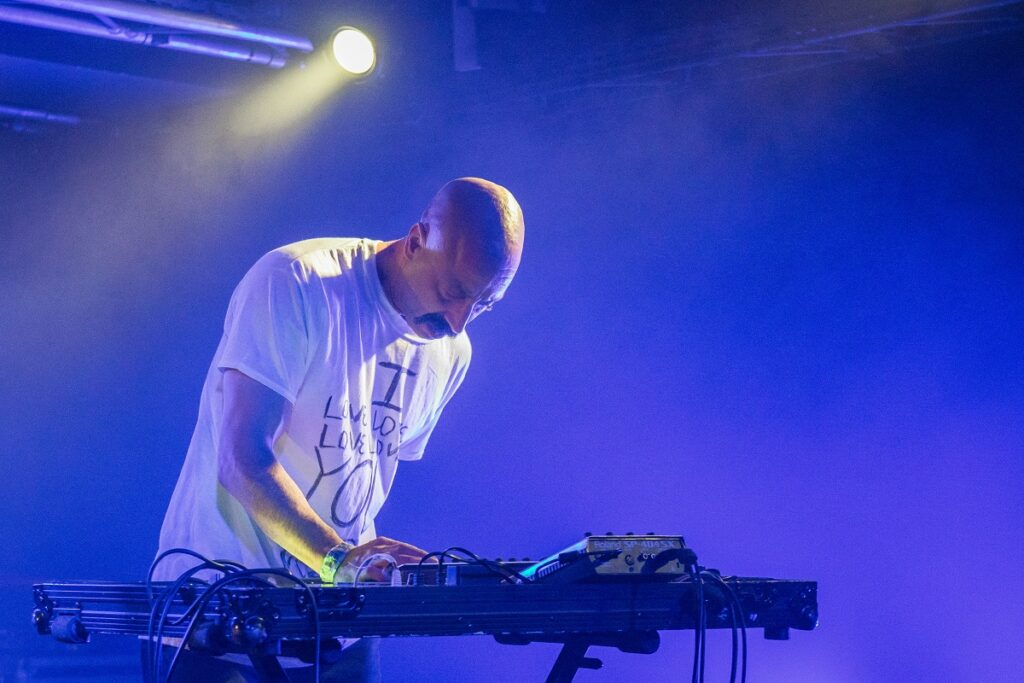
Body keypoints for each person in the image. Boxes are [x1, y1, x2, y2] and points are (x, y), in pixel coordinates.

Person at [149, 177, 526, 681]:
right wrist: (337, 560)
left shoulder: (452, 353)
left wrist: (356, 568)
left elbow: (361, 471)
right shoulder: (297, 282)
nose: (460, 321)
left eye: (483, 304)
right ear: (416, 241)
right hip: (220, 608)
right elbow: (242, 459)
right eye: (453, 292)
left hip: (338, 624)